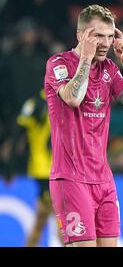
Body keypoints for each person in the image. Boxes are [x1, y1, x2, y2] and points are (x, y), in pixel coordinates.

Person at [44, 4, 123, 247]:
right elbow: (73, 98)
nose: (106, 43)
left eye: (110, 36)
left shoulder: (109, 68)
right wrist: (86, 58)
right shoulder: (58, 64)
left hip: (104, 180)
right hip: (70, 179)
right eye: (98, 35)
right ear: (80, 36)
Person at [16, 90, 62, 246]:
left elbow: (19, 132)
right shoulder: (62, 101)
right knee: (61, 218)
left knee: (44, 218)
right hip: (52, 170)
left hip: (40, 169)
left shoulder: (32, 103)